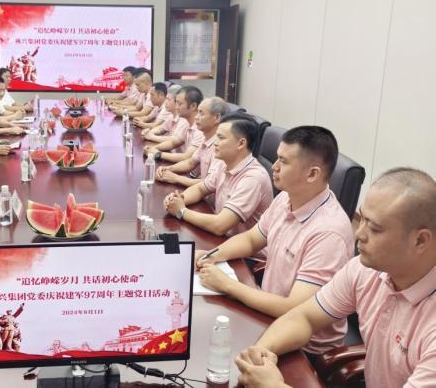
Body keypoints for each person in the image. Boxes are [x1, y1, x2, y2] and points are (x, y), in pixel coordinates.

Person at [235, 168, 436, 388]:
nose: (359, 234)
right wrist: (262, 353)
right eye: (362, 219)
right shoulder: (365, 270)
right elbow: (304, 317)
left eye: (375, 228)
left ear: (420, 241)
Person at [195, 126, 354, 356]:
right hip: (266, 314)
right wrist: (210, 256)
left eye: (283, 161)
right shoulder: (286, 198)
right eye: (277, 157)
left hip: (302, 348)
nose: (274, 166)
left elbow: (294, 309)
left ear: (312, 174)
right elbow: (251, 239)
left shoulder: (329, 233)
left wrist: (227, 285)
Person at [164, 112, 273, 235]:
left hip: (235, 245)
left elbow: (220, 225)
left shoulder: (253, 178)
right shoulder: (224, 163)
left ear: (241, 143)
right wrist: (179, 199)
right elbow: (200, 189)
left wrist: (181, 211)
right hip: (220, 238)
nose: (215, 142)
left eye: (221, 138)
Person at [156, 97, 228, 188]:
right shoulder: (206, 139)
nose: (196, 117)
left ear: (217, 118)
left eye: (201, 113)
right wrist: (168, 169)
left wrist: (176, 178)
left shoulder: (220, 146)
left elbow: (209, 182)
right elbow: (190, 163)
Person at [143, 86, 205, 163]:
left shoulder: (201, 129)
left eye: (179, 103)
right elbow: (173, 142)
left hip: (186, 168)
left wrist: (158, 154)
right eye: (176, 103)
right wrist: (153, 148)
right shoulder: (187, 122)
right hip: (178, 162)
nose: (176, 107)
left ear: (193, 106)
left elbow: (186, 157)